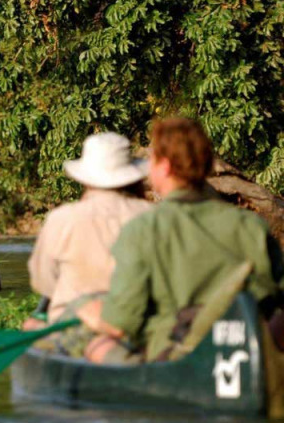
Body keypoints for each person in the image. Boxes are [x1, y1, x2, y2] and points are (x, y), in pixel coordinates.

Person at [85, 117, 284, 363]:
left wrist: (92, 315)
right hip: (244, 359)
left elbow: (119, 324)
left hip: (173, 362)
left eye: (152, 160)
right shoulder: (252, 226)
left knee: (99, 346)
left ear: (165, 166)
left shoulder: (143, 230)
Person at [24, 132, 151, 337]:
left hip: (74, 329)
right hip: (140, 327)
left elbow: (43, 283)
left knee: (31, 326)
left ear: (85, 178)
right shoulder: (155, 216)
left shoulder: (62, 218)